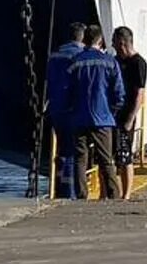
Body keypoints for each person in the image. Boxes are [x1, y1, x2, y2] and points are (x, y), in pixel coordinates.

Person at [67, 24, 127, 199]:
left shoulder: (75, 62)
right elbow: (119, 93)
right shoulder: (110, 62)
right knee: (106, 160)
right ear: (101, 40)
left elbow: (68, 90)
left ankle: (81, 195)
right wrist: (113, 111)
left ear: (85, 39)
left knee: (80, 159)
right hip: (103, 119)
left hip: (80, 118)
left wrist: (71, 110)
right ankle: (113, 195)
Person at [44, 22, 86, 198]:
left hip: (55, 107)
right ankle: (71, 192)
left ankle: (59, 188)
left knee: (60, 149)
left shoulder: (54, 55)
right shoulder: (80, 56)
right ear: (82, 36)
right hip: (73, 108)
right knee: (73, 151)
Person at [112, 25, 147, 199]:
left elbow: (139, 94)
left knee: (124, 154)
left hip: (125, 115)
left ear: (122, 43)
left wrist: (130, 118)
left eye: (114, 43)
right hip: (112, 113)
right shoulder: (116, 61)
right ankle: (110, 192)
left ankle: (126, 195)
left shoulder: (138, 63)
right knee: (112, 155)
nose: (113, 46)